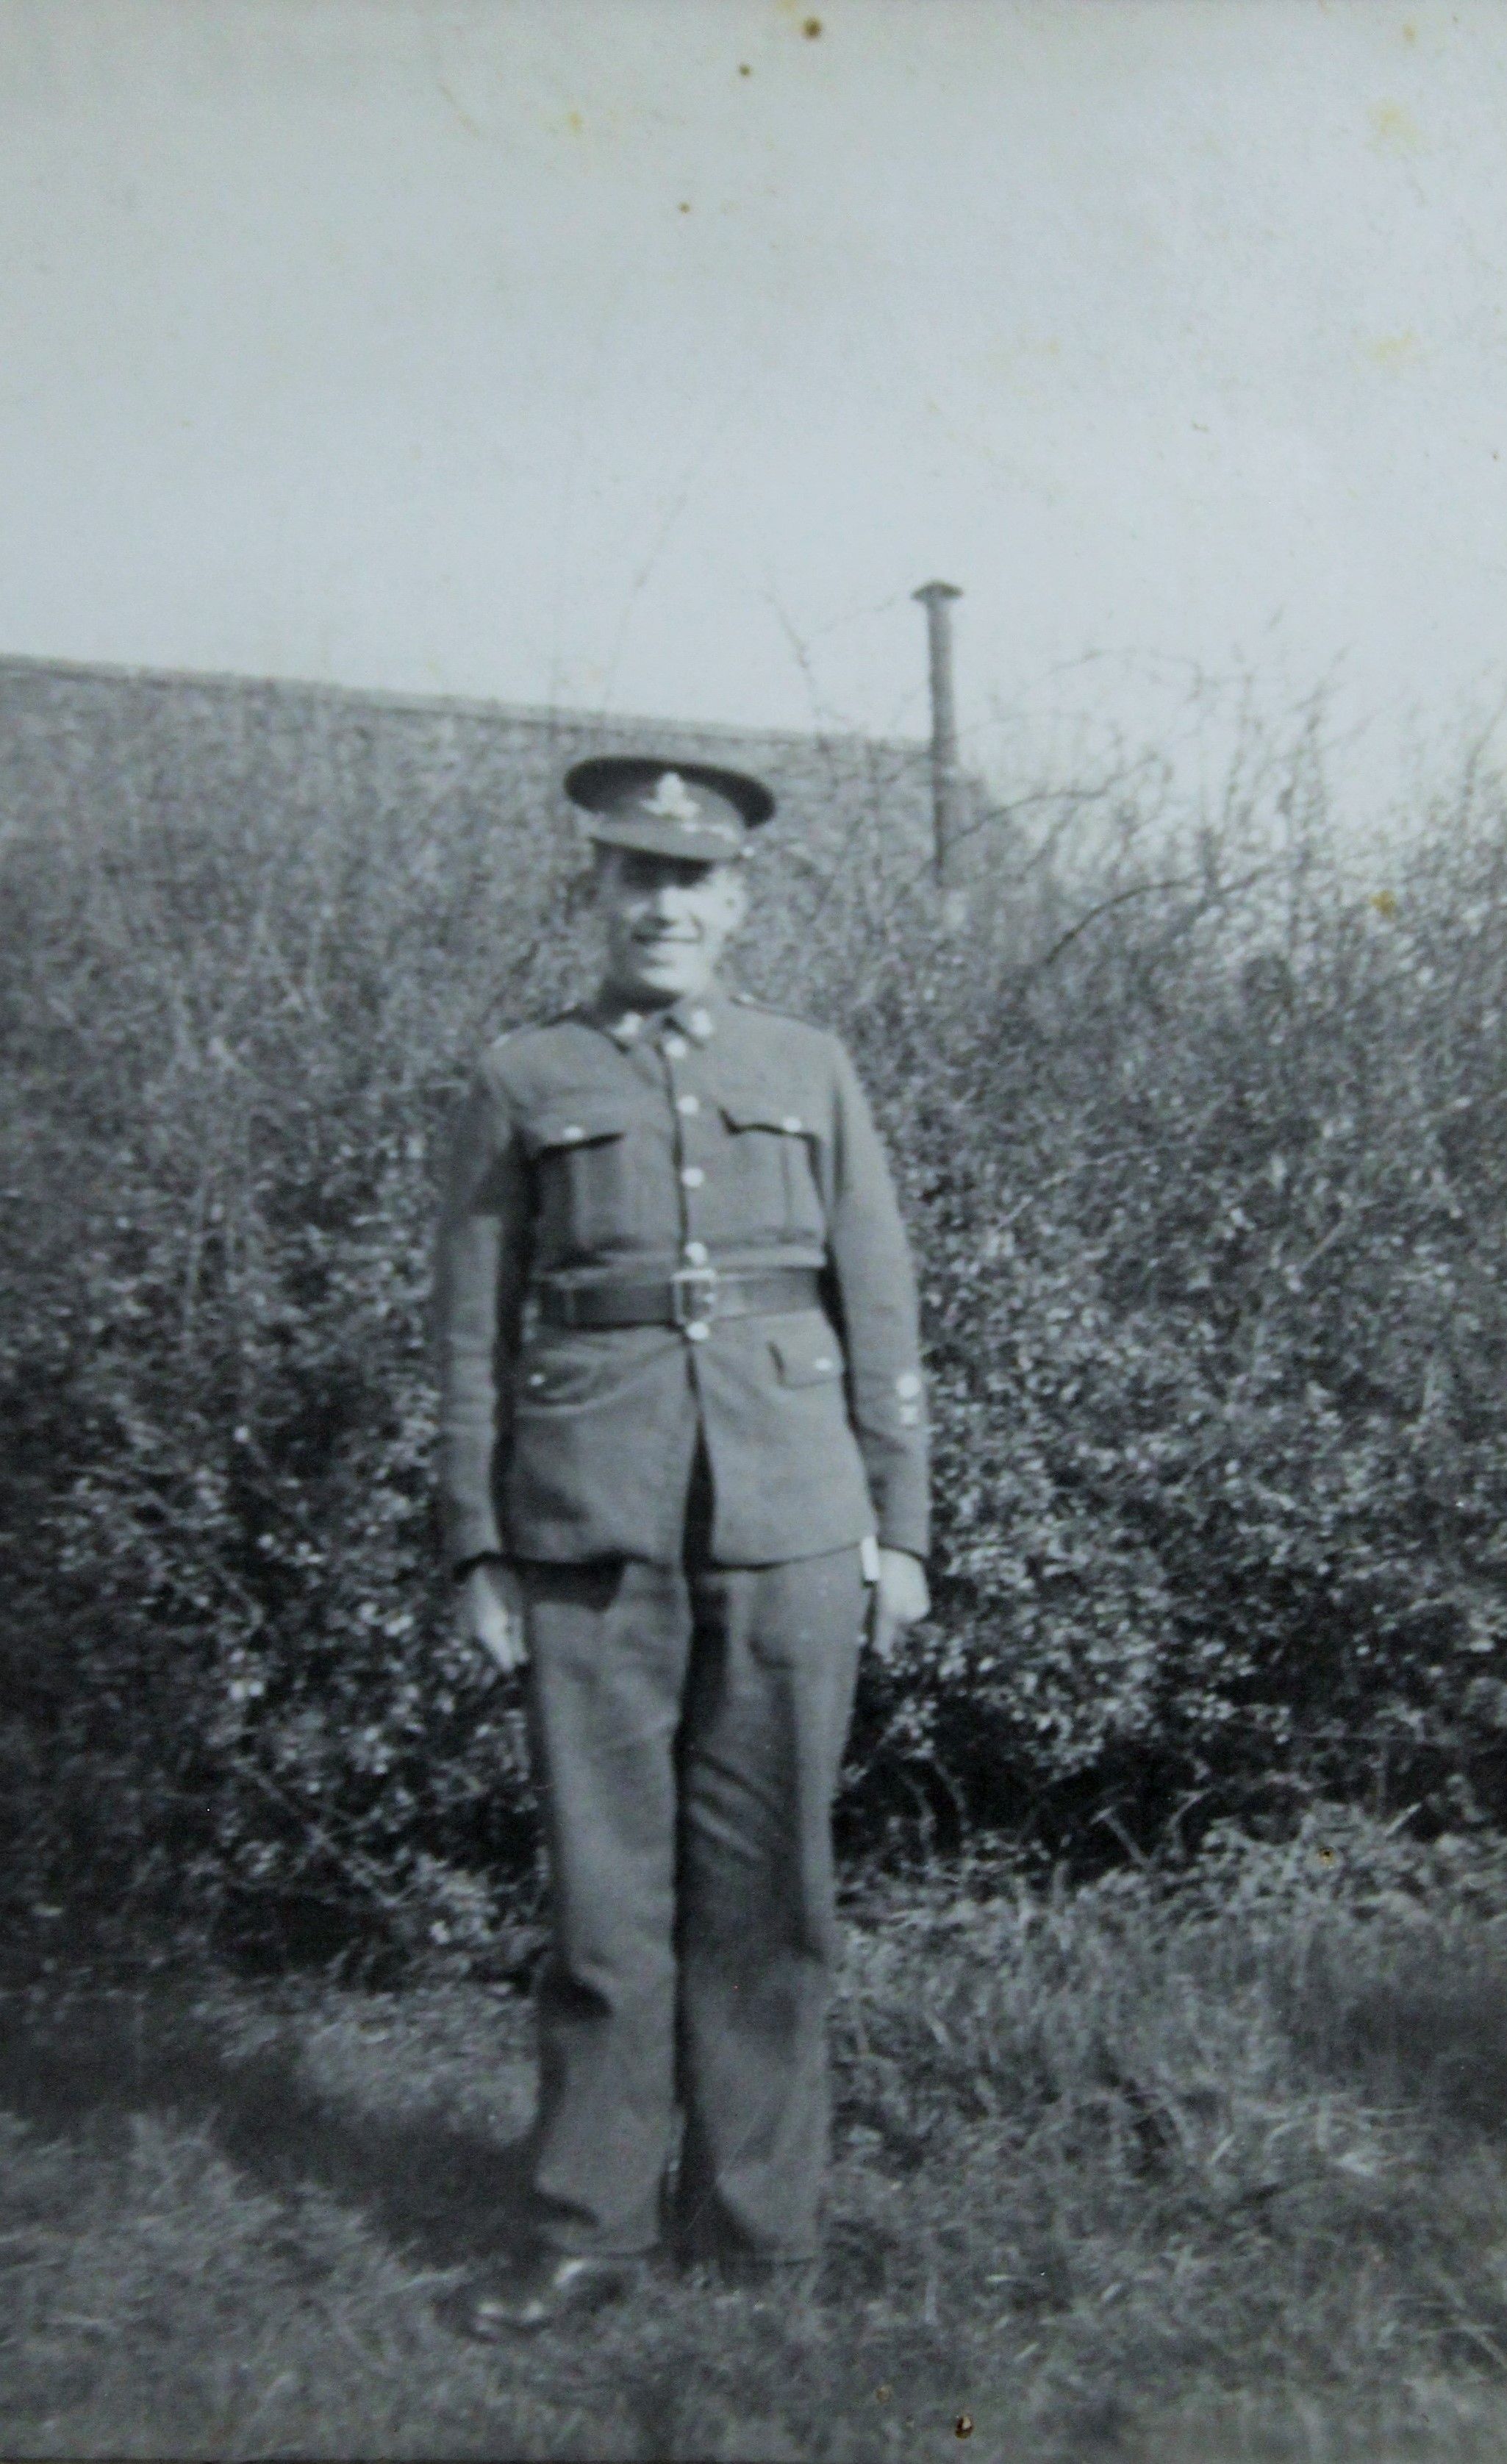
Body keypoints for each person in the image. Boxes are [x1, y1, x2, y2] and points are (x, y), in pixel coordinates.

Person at [433, 753, 930, 2334]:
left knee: (769, 1885)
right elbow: (464, 1331)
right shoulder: (525, 1073)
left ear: (736, 899)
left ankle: (761, 2225)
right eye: (633, 874)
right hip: (587, 1516)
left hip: (790, 1513)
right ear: (596, 892)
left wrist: (899, 1524)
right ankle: (588, 2225)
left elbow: (881, 1302)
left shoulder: (810, 1060)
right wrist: (475, 1544)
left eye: (691, 877)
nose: (663, 903)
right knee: (601, 1892)